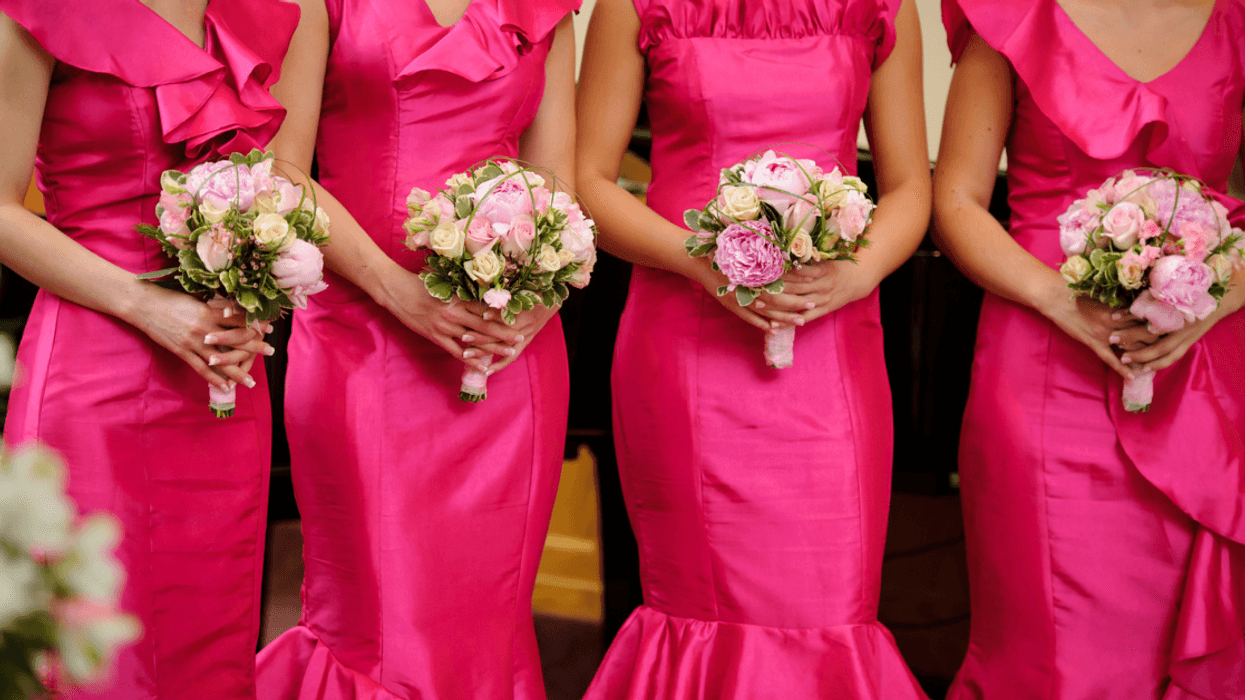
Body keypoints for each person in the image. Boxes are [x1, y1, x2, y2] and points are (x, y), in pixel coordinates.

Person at [575, 0, 933, 696]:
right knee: (698, 599)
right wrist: (700, 262)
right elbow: (588, 179)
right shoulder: (634, 5)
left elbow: (910, 187)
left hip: (830, 337)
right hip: (686, 336)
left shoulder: (884, 7)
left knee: (829, 600)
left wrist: (855, 275)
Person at [256, 0, 578, 697]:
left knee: (486, 618)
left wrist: (537, 301)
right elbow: (281, 173)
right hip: (359, 340)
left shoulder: (548, 8)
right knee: (375, 622)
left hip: (505, 351)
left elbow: (555, 180)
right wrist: (398, 292)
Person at [933, 0, 1245, 696]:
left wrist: (1217, 299)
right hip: (1042, 357)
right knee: (1046, 643)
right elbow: (954, 200)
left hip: (1200, 366)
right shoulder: (1009, 15)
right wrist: (1058, 303)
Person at [0, 0, 296, 697]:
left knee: (213, 646)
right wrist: (144, 306)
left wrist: (254, 295)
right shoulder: (40, 10)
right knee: (98, 655)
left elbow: (275, 194)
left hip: (220, 377)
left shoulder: (262, 14)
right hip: (91, 367)